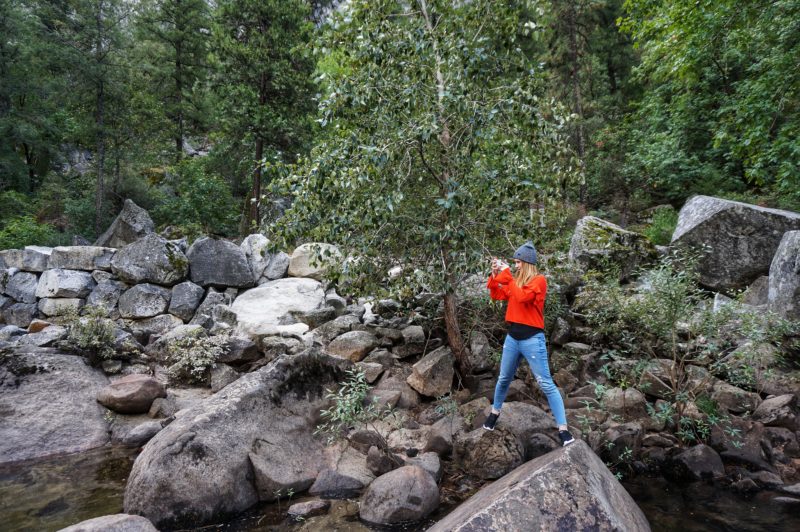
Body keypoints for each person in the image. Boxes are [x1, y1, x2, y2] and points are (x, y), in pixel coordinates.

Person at [483, 241, 575, 447]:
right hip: (513, 338)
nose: (515, 266)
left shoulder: (539, 281)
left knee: (546, 383)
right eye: (513, 262)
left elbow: (523, 296)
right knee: (504, 378)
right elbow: (496, 294)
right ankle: (494, 413)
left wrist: (506, 275)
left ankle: (563, 429)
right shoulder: (514, 282)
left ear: (527, 262)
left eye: (517, 262)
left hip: (533, 339)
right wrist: (494, 274)